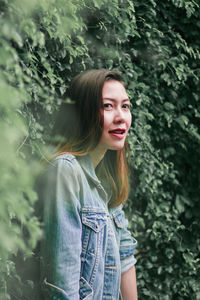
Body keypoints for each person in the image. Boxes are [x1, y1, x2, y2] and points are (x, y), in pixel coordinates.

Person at [38, 69, 138, 300]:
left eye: (125, 106)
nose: (121, 116)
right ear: (83, 113)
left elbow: (124, 258)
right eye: (107, 106)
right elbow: (62, 286)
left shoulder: (106, 179)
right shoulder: (65, 171)